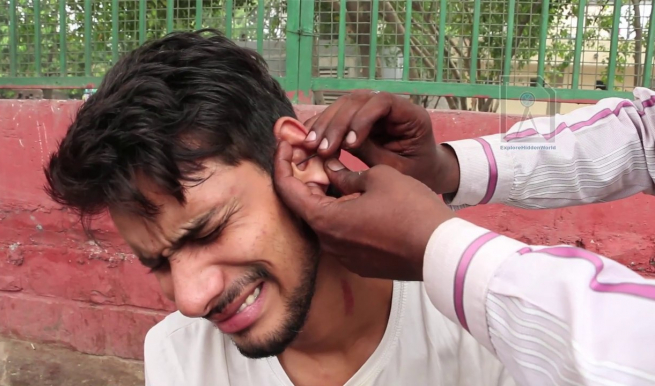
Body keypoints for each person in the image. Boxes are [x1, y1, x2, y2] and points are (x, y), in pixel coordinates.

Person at [43, 30, 517, 386]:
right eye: (158, 264)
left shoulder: (489, 336)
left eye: (208, 231)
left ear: (299, 161)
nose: (190, 300)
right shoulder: (181, 360)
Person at [273, 88, 655, 385]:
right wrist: (446, 167)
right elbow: (643, 132)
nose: (208, 297)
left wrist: (439, 248)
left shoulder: (476, 353)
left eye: (216, 226)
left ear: (302, 164)